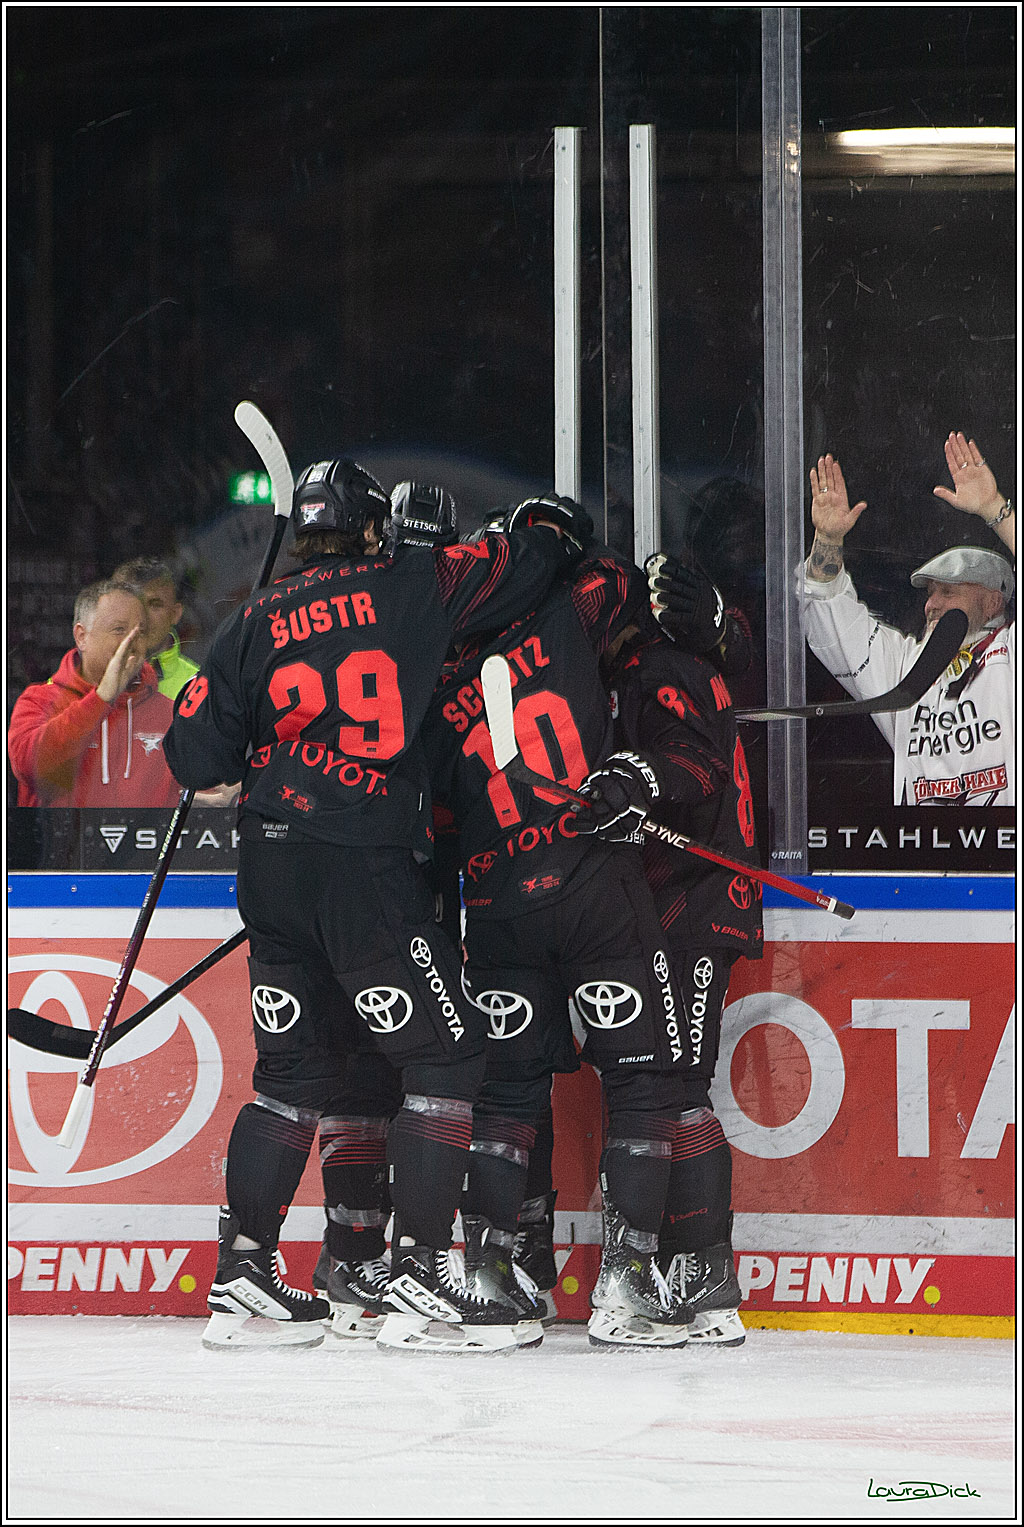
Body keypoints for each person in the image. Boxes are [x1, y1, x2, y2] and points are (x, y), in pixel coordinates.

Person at [163, 458, 588, 1352]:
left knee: (290, 1074)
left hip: (269, 866)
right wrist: (547, 529)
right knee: (451, 1050)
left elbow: (194, 758)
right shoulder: (409, 579)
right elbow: (520, 568)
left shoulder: (253, 617)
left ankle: (244, 1267)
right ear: (369, 530)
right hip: (363, 865)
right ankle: (421, 1270)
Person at [426, 498, 695, 1348]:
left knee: (507, 1091)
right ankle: (625, 1281)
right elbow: (622, 582)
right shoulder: (569, 602)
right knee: (646, 1079)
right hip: (591, 882)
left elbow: (431, 810)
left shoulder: (433, 664)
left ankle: (493, 1272)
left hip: (496, 897)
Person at [588, 554, 765, 1346]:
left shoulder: (655, 669)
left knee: (664, 1084)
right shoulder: (690, 661)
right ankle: (705, 1274)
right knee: (678, 1086)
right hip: (697, 899)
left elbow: (693, 771)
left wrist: (634, 774)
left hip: (694, 899)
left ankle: (661, 1272)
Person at [803, 435, 1015, 806]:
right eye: (929, 593)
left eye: (948, 592)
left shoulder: (1012, 655)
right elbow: (829, 614)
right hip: (918, 857)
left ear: (993, 600)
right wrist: (828, 540)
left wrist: (995, 510)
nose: (930, 605)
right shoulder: (906, 665)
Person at [8, 579, 181, 808]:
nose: (132, 641)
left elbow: (198, 793)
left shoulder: (170, 713)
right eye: (119, 630)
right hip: (61, 843)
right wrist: (101, 698)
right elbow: (32, 767)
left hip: (148, 843)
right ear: (81, 636)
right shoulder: (38, 701)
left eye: (140, 632)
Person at [111, 556, 200, 701]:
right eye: (132, 605)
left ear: (175, 613)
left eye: (154, 604)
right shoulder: (89, 684)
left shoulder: (196, 686)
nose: (142, 617)